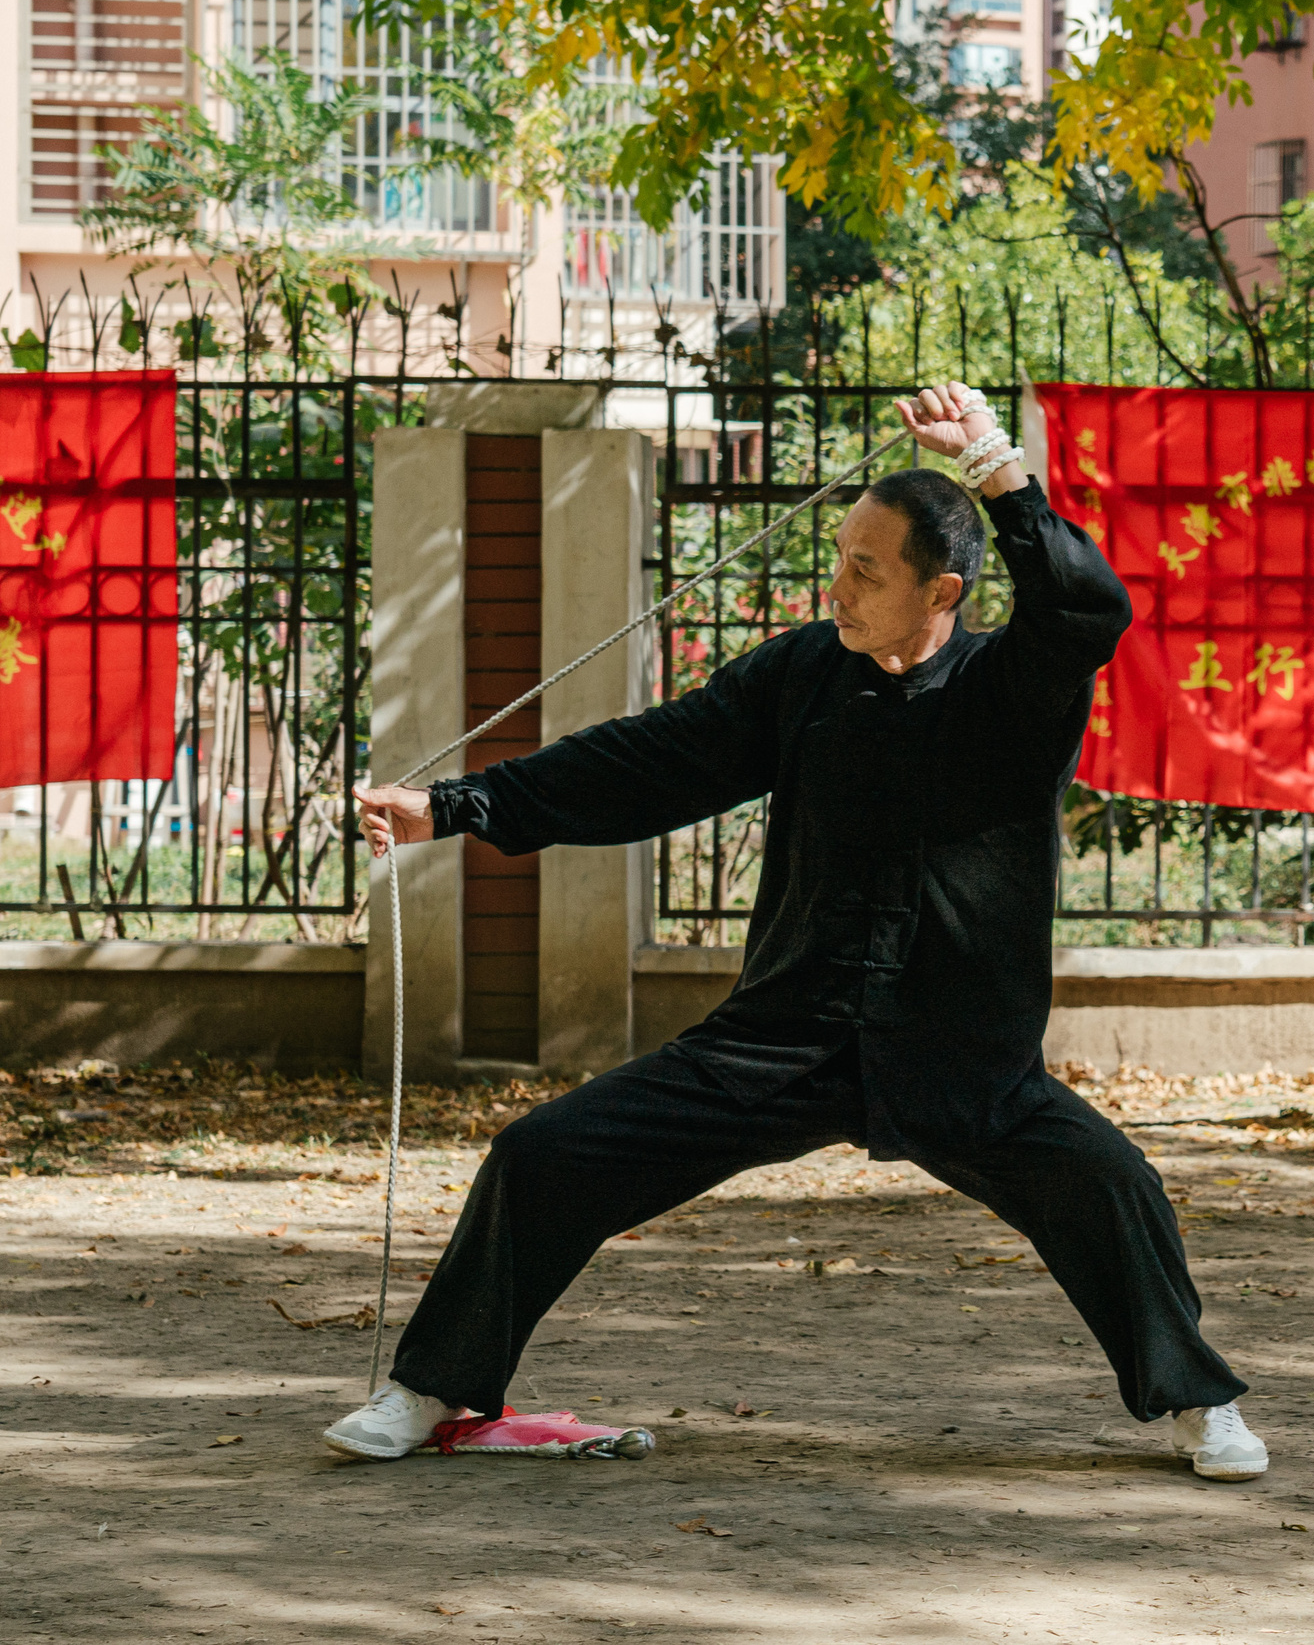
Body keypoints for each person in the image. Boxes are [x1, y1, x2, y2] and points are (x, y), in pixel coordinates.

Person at [322, 382, 1264, 1481]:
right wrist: (453, 807)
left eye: (868, 569)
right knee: (544, 1154)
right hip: (783, 1032)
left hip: (959, 1048)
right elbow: (650, 759)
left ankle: (1200, 1400)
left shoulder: (1016, 686)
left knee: (1111, 1187)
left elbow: (1087, 603)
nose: (839, 585)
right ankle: (434, 1387)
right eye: (840, 557)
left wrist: (997, 465)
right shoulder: (803, 673)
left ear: (942, 590)